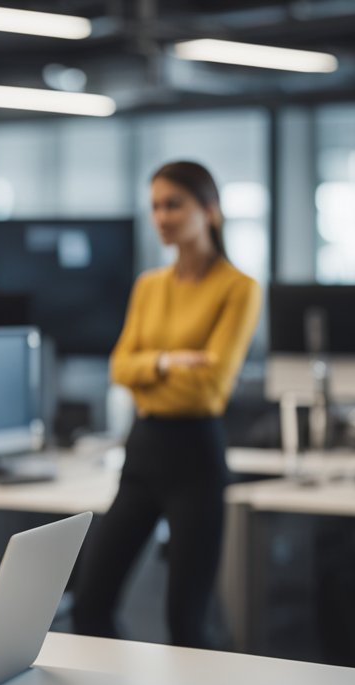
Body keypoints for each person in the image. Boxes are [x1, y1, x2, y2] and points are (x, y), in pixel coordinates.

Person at [72, 161, 261, 649]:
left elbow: (210, 389)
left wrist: (147, 370)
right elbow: (119, 368)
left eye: (174, 204)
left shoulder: (238, 288)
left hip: (195, 457)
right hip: (143, 452)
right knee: (90, 602)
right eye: (156, 205)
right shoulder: (149, 285)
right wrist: (171, 361)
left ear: (210, 211)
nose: (162, 216)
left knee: (186, 625)